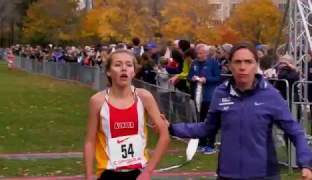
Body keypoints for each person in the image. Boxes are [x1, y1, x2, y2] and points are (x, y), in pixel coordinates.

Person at [167, 42, 312, 180]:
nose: (243, 67)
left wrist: (306, 163)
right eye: (237, 62)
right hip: (228, 174)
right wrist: (171, 128)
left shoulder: (270, 94)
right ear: (230, 65)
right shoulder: (221, 93)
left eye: (248, 62)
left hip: (264, 175)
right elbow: (206, 128)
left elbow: (295, 131)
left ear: (256, 65)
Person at [84, 49, 170, 180]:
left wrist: (148, 172)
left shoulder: (144, 97)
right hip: (107, 173)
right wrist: (89, 174)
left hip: (138, 173)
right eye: (118, 65)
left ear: (133, 72)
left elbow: (165, 135)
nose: (124, 68)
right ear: (108, 71)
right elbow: (90, 141)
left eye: (129, 65)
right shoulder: (97, 101)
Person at [187, 44, 221, 154]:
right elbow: (189, 76)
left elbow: (218, 77)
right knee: (200, 120)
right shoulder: (195, 63)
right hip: (197, 96)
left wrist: (207, 79)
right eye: (197, 53)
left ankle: (211, 145)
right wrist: (192, 78)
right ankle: (201, 143)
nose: (199, 55)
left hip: (209, 97)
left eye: (201, 53)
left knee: (210, 120)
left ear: (207, 53)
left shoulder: (213, 63)